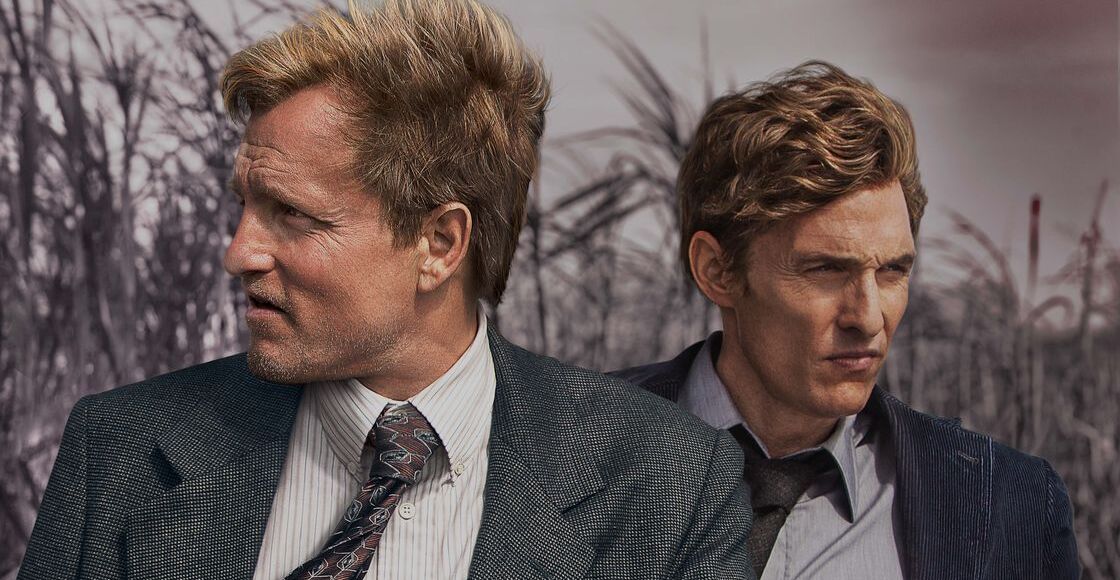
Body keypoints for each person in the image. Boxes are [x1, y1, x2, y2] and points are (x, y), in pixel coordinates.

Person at [17, 2, 752, 579]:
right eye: (244, 206)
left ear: (439, 245)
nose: (238, 253)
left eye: (293, 215)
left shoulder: (672, 483)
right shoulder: (119, 449)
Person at [615, 61, 1080, 579]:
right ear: (717, 271)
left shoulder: (1011, 509)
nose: (868, 318)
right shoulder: (560, 447)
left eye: (892, 271)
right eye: (826, 270)